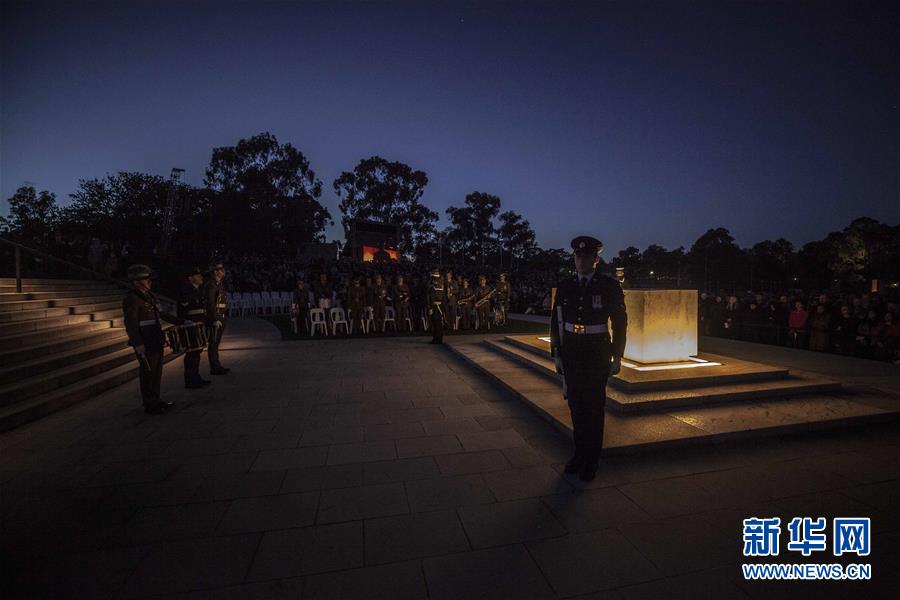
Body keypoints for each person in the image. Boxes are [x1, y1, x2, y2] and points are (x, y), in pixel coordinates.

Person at [549, 236, 627, 482]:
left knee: (593, 407)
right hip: (571, 351)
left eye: (585, 257)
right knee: (575, 405)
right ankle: (579, 454)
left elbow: (620, 322)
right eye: (577, 257)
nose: (580, 261)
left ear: (596, 259)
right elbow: (556, 321)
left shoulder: (608, 286)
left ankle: (591, 459)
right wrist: (556, 352)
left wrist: (617, 354)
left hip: (597, 353)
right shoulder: (566, 285)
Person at [122, 264, 181, 414]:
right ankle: (149, 403)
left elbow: (161, 314)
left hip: (155, 338)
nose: (149, 282)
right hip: (145, 341)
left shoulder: (150, 296)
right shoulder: (132, 299)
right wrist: (137, 343)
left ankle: (156, 399)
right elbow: (131, 323)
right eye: (146, 279)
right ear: (136, 281)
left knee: (156, 372)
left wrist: (181, 321)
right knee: (148, 372)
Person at [178, 266, 211, 389]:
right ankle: (190, 379)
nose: (201, 277)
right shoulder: (186, 291)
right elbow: (183, 310)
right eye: (197, 276)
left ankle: (196, 377)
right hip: (191, 326)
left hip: (199, 324)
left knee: (197, 352)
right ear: (191, 278)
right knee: (192, 353)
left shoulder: (200, 290)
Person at [204, 260, 231, 375]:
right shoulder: (211, 285)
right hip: (216, 318)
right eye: (220, 270)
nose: (223, 271)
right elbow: (210, 303)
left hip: (221, 316)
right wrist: (215, 319)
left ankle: (217, 365)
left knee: (216, 343)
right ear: (215, 272)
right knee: (213, 343)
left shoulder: (219, 284)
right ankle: (214, 367)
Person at [427, 269, 445, 344]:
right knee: (438, 323)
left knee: (436, 323)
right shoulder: (441, 283)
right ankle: (438, 339)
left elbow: (430, 296)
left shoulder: (432, 284)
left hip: (435, 305)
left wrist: (430, 307)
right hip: (440, 305)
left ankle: (436, 339)